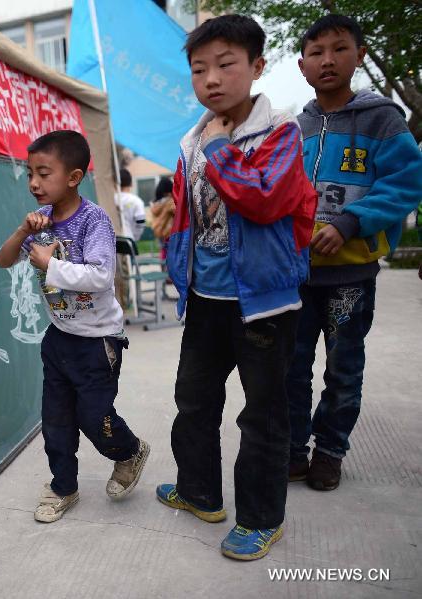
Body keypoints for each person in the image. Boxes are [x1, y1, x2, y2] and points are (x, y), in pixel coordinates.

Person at [153, 15, 317, 561]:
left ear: (257, 66)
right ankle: (199, 492)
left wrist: (223, 152)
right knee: (193, 401)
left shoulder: (280, 133)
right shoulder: (193, 138)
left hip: (264, 303)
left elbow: (266, 199)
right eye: (200, 69)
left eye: (226, 65)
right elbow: (187, 213)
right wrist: (176, 258)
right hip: (206, 300)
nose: (212, 79)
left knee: (263, 414)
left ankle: (260, 518)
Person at [286, 14, 422, 491]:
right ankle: (293, 451)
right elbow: (281, 193)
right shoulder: (295, 127)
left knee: (343, 369)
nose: (327, 60)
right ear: (302, 65)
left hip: (351, 275)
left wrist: (349, 223)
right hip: (297, 276)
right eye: (316, 52)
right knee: (292, 369)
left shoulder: (383, 119)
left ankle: (330, 452)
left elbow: (407, 183)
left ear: (359, 56)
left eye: (339, 49)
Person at [0, 130, 150, 523]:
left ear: (74, 176)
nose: (33, 182)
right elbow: (3, 260)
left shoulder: (93, 220)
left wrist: (49, 264)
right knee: (56, 421)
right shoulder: (40, 221)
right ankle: (63, 486)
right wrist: (21, 232)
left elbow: (101, 277)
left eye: (43, 173)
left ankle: (129, 451)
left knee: (94, 418)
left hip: (98, 342)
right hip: (59, 338)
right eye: (30, 173)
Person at [113, 168, 147, 308]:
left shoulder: (112, 198)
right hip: (129, 240)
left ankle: (118, 301)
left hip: (113, 239)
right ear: (131, 183)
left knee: (116, 273)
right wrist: (135, 237)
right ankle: (127, 302)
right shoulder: (136, 201)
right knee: (128, 273)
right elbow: (140, 223)